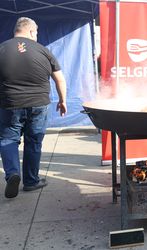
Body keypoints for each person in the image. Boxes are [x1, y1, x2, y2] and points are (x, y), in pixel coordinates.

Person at [0, 17, 67, 198]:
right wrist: (63, 101)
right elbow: (59, 79)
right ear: (31, 31)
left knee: (8, 139)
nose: (36, 36)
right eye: (36, 32)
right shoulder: (44, 51)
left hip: (10, 103)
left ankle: (13, 173)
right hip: (39, 103)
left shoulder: (2, 48)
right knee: (34, 141)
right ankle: (31, 181)